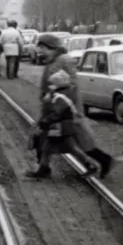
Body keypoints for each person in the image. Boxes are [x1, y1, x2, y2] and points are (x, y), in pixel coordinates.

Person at [34, 33, 113, 178]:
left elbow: (71, 85)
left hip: (66, 109)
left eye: (43, 48)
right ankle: (43, 168)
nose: (40, 50)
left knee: (82, 141)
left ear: (52, 48)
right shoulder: (52, 60)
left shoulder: (64, 60)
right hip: (54, 106)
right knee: (47, 138)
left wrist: (65, 106)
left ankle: (103, 160)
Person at [26, 71, 97, 179]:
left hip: (62, 128)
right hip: (60, 127)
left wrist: (43, 122)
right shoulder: (61, 96)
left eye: (52, 84)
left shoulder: (59, 98)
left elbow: (55, 114)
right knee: (48, 148)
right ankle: (43, 170)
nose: (50, 86)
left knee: (68, 148)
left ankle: (91, 164)